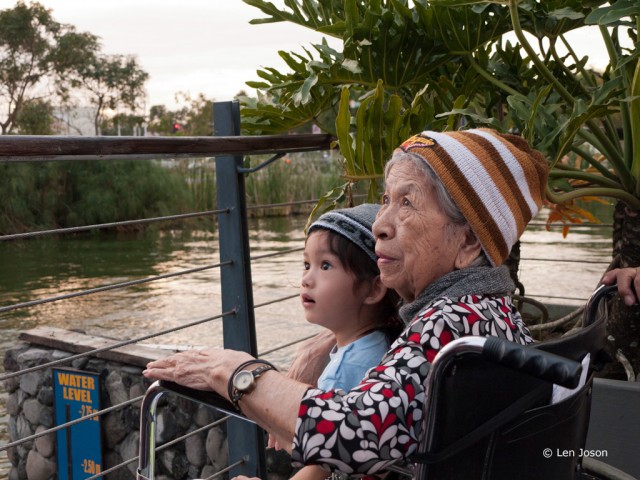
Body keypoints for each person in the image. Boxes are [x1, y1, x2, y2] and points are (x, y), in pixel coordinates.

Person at [143, 128, 640, 477]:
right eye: (386, 199)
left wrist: (237, 372)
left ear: (468, 243)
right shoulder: (486, 313)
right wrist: (325, 344)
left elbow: (355, 433)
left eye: (408, 202)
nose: (380, 221)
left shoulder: (450, 331)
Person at [288, 204, 402, 480]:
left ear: (373, 288)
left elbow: (321, 462)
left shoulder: (347, 366)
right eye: (307, 264)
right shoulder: (382, 344)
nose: (306, 279)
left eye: (325, 265)